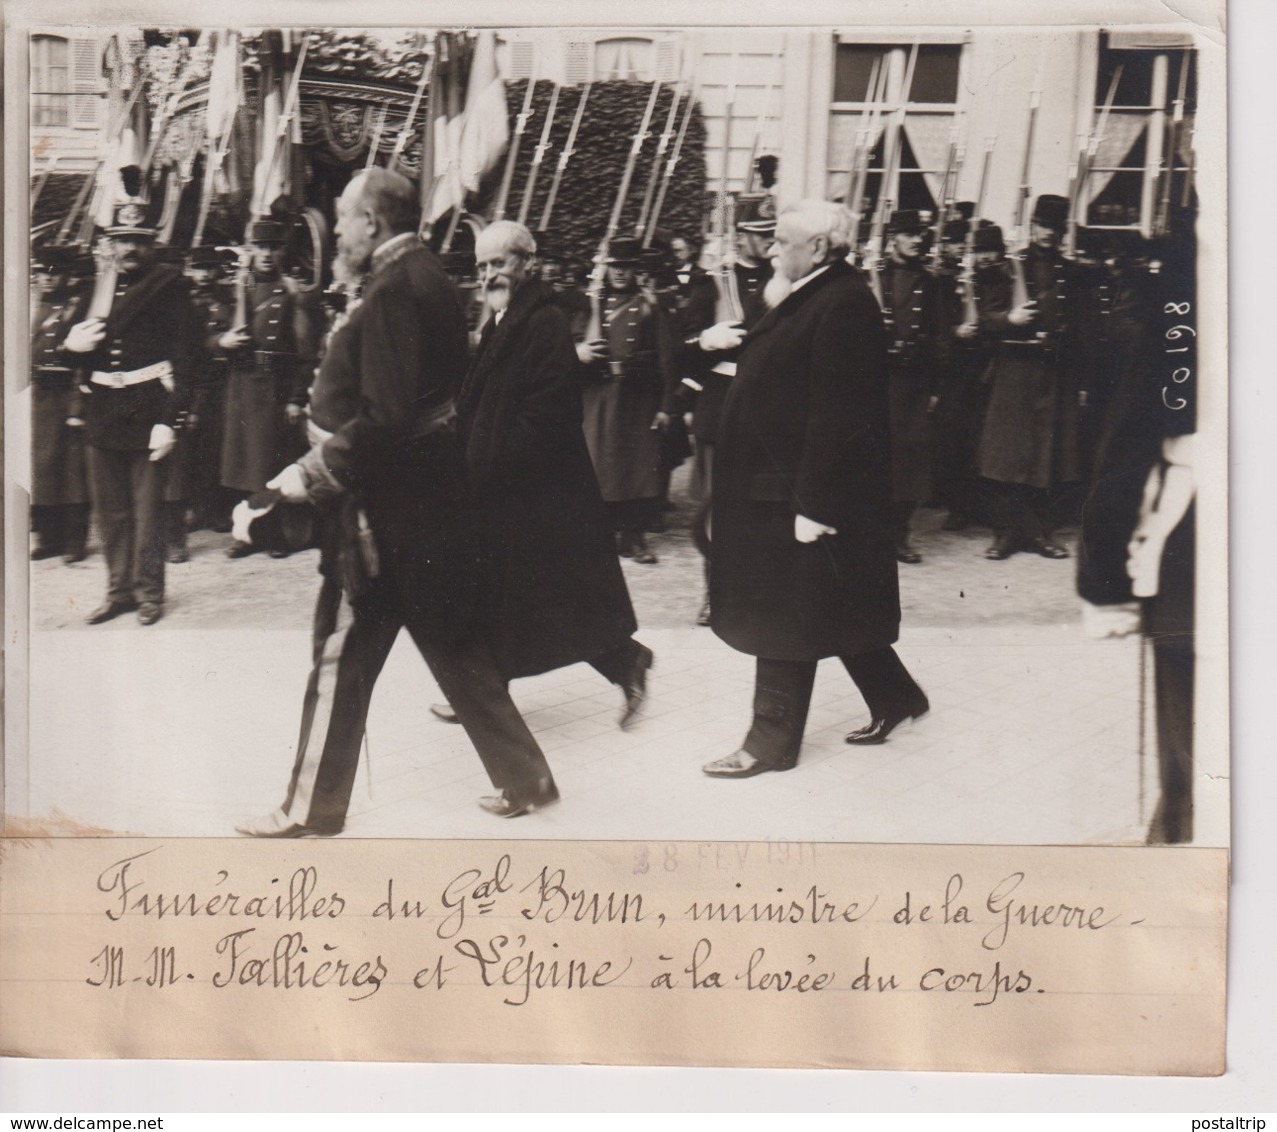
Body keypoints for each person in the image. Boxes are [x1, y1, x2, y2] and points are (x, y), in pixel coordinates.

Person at [235, 169, 557, 837]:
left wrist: (311, 472)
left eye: (347, 219)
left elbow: (383, 418)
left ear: (373, 222)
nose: (341, 231)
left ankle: (309, 810)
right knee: (454, 645)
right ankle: (528, 780)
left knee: (341, 656)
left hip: (381, 515)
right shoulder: (430, 277)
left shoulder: (389, 292)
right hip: (429, 506)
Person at [702, 200, 928, 779]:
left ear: (820, 249)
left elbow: (841, 417)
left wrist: (815, 506)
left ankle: (769, 743)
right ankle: (897, 697)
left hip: (800, 495)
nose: (772, 250)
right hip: (778, 487)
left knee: (783, 616)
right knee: (836, 601)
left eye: (782, 242)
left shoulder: (845, 304)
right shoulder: (810, 293)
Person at [448, 219, 653, 723]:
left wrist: (493, 465)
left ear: (527, 263)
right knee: (512, 593)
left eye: (498, 263)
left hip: (537, 489)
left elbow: (551, 413)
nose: (488, 274)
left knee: (555, 595)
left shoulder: (544, 322)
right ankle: (488, 688)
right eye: (481, 266)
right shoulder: (502, 318)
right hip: (508, 484)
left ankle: (627, 660)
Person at [61, 199, 197, 626]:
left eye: (138, 240)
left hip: (148, 411)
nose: (129, 249)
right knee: (111, 513)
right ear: (109, 245)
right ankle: (118, 591)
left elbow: (190, 361)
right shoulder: (93, 291)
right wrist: (70, 349)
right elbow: (72, 356)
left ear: (151, 243)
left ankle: (149, 592)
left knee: (147, 512)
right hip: (103, 412)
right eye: (121, 240)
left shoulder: (171, 288)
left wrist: (169, 420)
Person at [976, 193, 1082, 560]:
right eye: (1042, 225)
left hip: (1054, 373)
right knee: (1009, 456)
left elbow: (1081, 326)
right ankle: (1004, 534)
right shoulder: (1008, 269)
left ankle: (1038, 533)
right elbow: (984, 319)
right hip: (1015, 371)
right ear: (1032, 224)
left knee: (1043, 456)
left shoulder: (1071, 271)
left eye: (1055, 227)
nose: (1048, 234)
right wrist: (1011, 319)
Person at [577, 236, 678, 564]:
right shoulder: (590, 306)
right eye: (615, 268)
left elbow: (667, 361)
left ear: (636, 270)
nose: (620, 274)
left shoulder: (650, 307)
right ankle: (603, 535)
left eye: (627, 268)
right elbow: (581, 348)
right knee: (601, 466)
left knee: (638, 468)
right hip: (601, 396)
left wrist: (665, 406)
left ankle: (634, 539)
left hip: (637, 397)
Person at [220, 219, 315, 558]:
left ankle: (274, 535)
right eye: (260, 247)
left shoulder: (290, 293)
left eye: (273, 247)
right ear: (250, 250)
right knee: (244, 464)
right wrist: (222, 340)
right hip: (240, 384)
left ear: (282, 251)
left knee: (269, 464)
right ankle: (245, 534)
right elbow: (210, 331)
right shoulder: (237, 290)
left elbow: (305, 352)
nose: (266, 254)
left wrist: (296, 397)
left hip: (274, 387)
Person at [881, 208, 948, 563]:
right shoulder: (873, 276)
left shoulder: (929, 280)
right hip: (878, 381)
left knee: (910, 461)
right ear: (893, 237)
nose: (916, 240)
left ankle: (899, 535)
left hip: (916, 382)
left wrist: (936, 385)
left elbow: (939, 335)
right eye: (908, 234)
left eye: (919, 234)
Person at [29, 244, 91, 564]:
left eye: (54, 274)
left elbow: (84, 363)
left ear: (67, 276)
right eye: (41, 273)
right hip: (39, 398)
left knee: (73, 474)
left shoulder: (77, 309)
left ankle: (74, 541)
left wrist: (77, 407)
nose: (47, 279)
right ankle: (48, 537)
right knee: (43, 470)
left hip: (67, 395)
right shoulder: (32, 308)